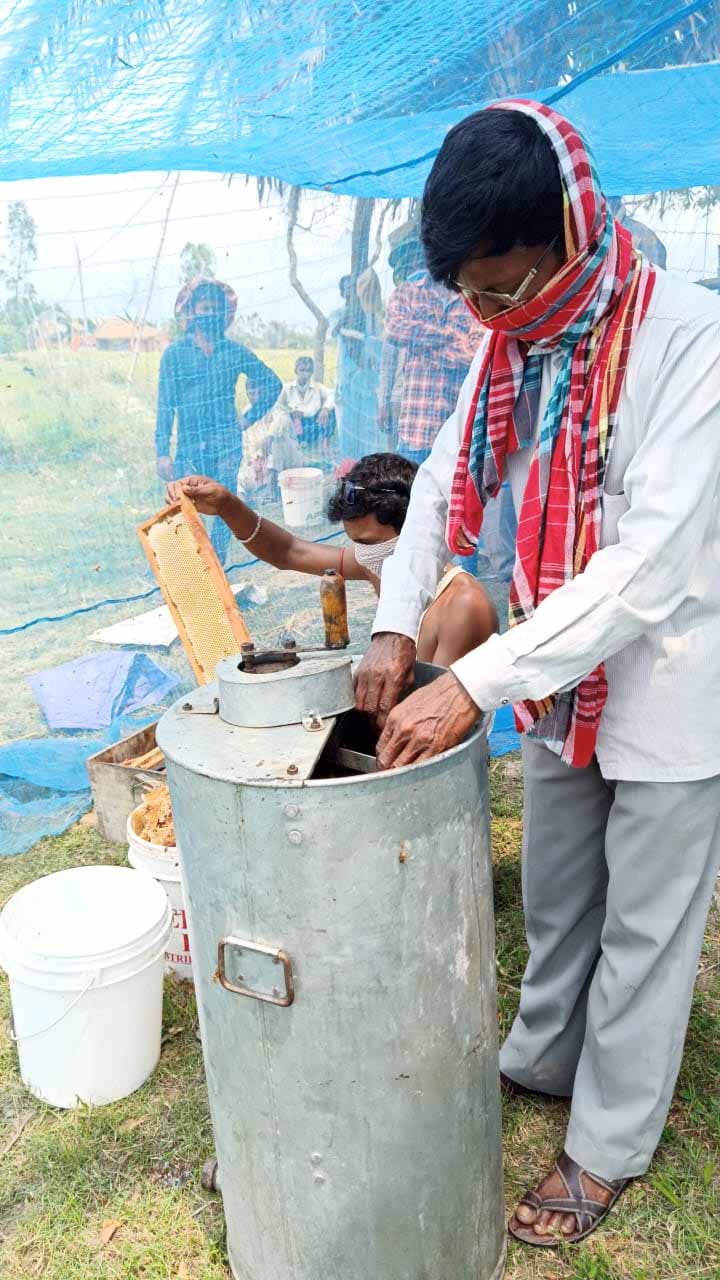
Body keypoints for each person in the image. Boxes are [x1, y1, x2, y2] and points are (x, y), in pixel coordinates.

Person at [355, 100, 720, 1249]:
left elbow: (649, 567)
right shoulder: (513, 346)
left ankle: (606, 1142)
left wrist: (478, 678)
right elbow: (435, 486)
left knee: (646, 926)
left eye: (498, 287)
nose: (482, 315)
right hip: (562, 680)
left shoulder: (686, 344)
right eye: (465, 293)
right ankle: (544, 1056)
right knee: (563, 892)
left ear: (568, 228)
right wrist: (394, 626)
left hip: (671, 676)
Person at [167, 452, 498, 667]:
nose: (364, 556)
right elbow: (288, 552)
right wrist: (227, 506)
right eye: (356, 544)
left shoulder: (464, 607)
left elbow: (437, 718)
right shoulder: (379, 563)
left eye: (369, 543)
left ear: (416, 533)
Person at [155, 277, 282, 563]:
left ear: (224, 314)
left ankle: (217, 562)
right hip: (189, 443)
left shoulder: (234, 351)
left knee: (223, 503)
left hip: (226, 441)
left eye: (215, 308)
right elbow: (164, 405)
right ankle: (190, 566)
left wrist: (249, 417)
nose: (209, 313)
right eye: (203, 307)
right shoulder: (175, 354)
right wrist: (162, 452)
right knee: (183, 506)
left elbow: (272, 383)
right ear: (192, 311)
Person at [378, 226, 482, 468]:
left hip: (457, 430)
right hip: (417, 425)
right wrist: (451, 336)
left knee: (454, 502)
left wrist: (420, 345)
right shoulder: (407, 293)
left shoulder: (470, 296)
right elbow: (394, 329)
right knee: (408, 497)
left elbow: (475, 352)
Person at [278, 356, 335, 448]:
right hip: (295, 426)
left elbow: (332, 394)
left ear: (312, 372)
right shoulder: (287, 388)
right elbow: (278, 406)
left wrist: (325, 409)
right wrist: (290, 413)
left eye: (309, 371)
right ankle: (296, 442)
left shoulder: (318, 387)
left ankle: (325, 445)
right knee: (285, 419)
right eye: (302, 370)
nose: (305, 374)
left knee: (331, 412)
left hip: (313, 425)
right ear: (295, 371)